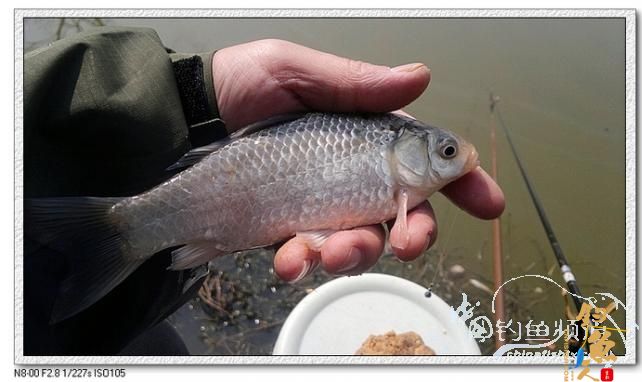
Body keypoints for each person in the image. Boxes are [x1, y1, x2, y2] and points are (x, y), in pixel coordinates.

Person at [23, 27, 505, 355]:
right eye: (445, 152)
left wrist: (190, 100)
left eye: (447, 153)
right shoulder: (398, 186)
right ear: (410, 151)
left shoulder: (400, 188)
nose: (454, 159)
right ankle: (118, 232)